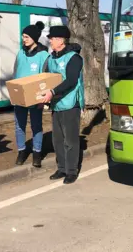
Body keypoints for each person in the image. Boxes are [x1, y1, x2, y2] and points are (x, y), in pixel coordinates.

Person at [38, 25, 84, 185]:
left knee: (70, 140)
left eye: (52, 38)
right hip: (57, 104)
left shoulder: (74, 58)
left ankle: (72, 171)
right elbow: (46, 79)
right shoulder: (51, 58)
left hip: (70, 104)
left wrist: (52, 92)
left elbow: (71, 81)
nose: (50, 41)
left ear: (61, 40)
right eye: (50, 38)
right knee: (57, 139)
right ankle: (62, 168)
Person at [13, 24, 50, 168]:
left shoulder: (43, 55)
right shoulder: (20, 53)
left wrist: (43, 99)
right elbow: (15, 72)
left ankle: (37, 152)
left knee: (36, 125)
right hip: (20, 96)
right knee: (19, 125)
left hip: (36, 97)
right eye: (23, 37)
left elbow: (46, 78)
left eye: (26, 37)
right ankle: (22, 151)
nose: (24, 39)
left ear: (34, 38)